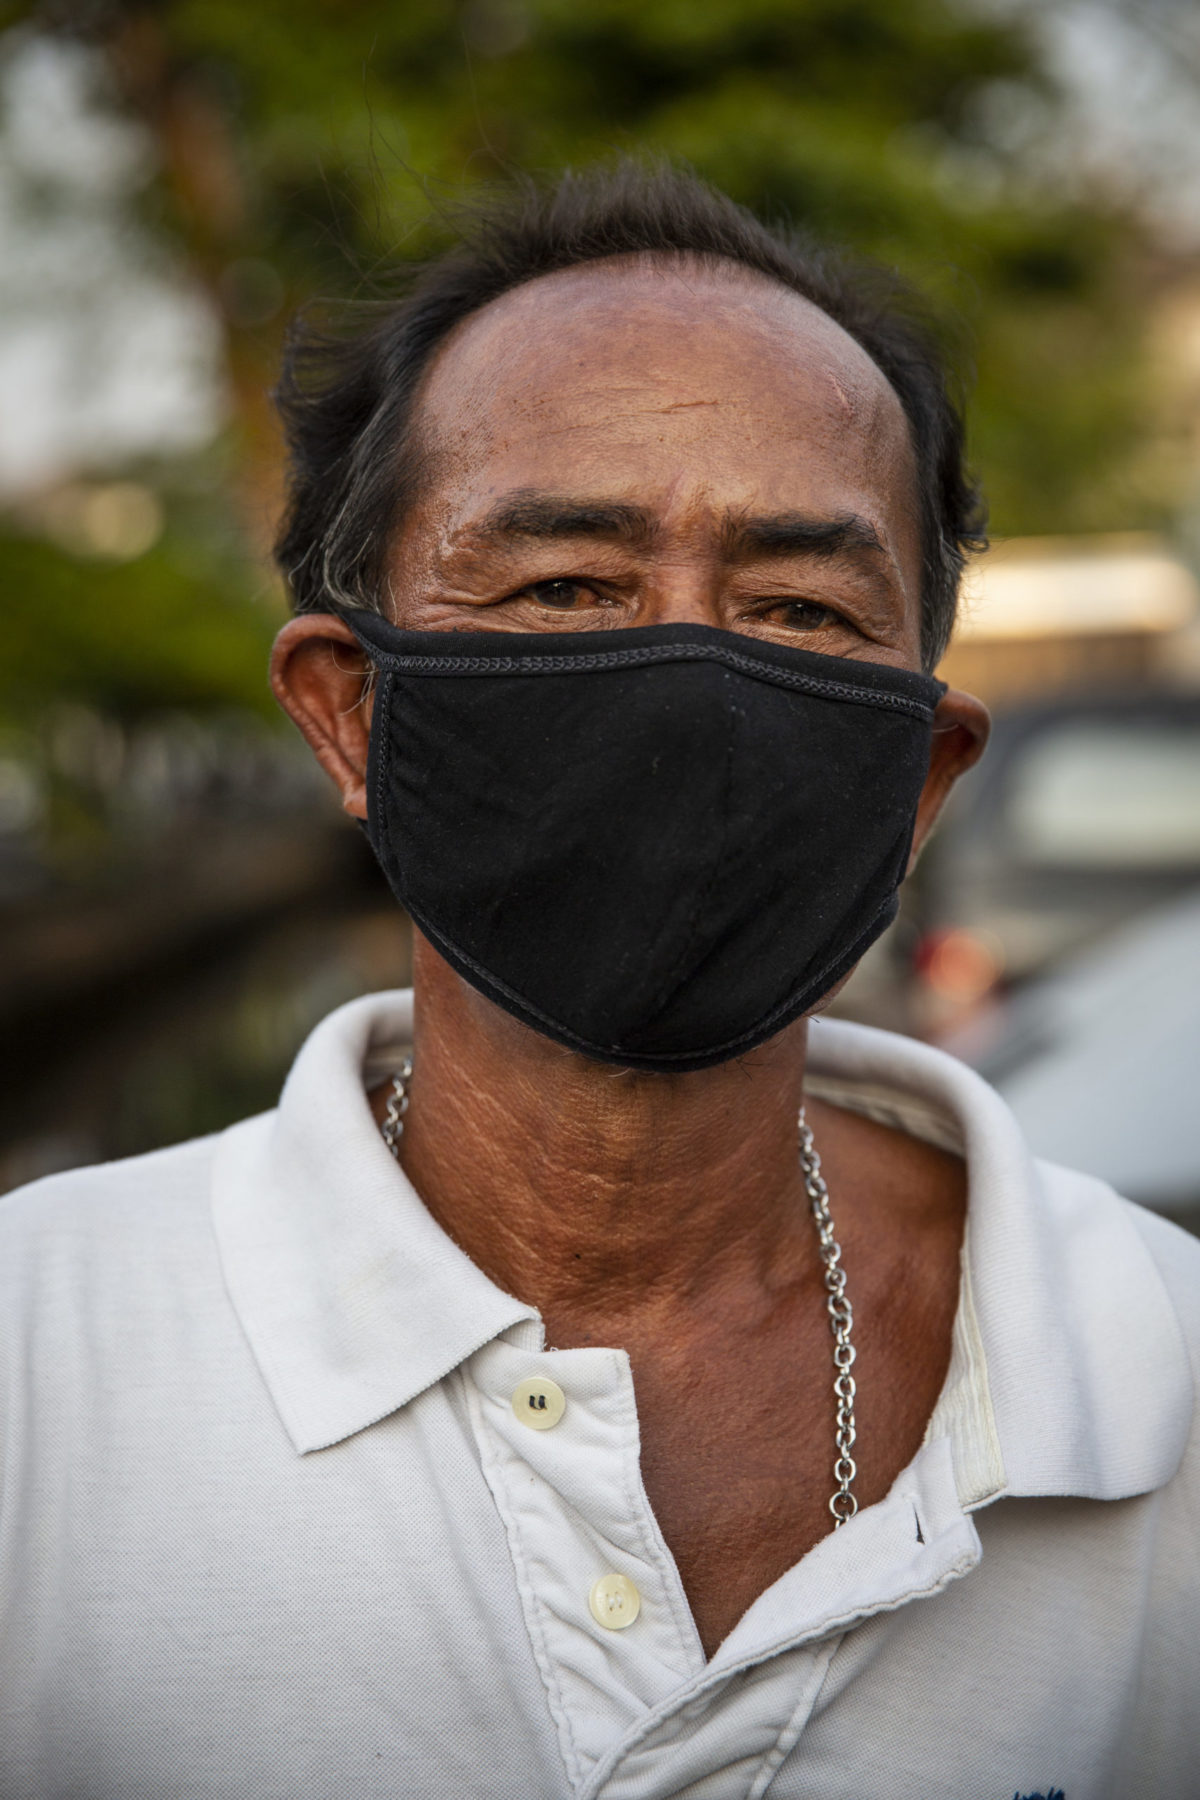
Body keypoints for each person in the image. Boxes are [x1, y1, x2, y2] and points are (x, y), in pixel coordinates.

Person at [1, 162, 1196, 1800]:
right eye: (565, 586)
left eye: (799, 605)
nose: (693, 677)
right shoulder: (32, 1362)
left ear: (919, 781)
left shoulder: (1169, 1381)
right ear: (351, 713)